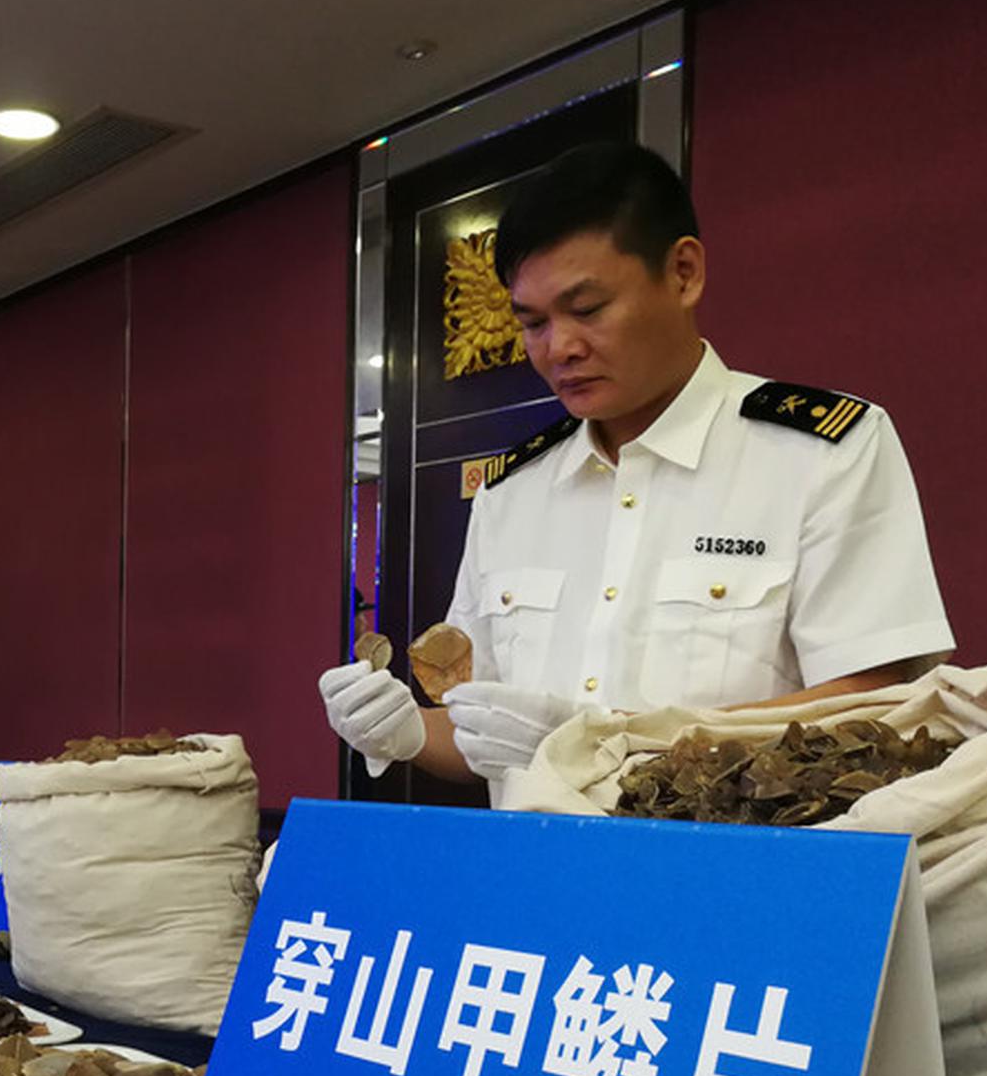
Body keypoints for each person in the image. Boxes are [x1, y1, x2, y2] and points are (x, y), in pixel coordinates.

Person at [321, 141, 952, 794]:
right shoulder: (512, 492)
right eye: (532, 323)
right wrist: (414, 732)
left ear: (683, 273)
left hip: (727, 879)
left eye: (587, 310)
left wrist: (613, 745)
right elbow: (489, 732)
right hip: (534, 877)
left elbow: (875, 705)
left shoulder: (818, 453)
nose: (559, 348)